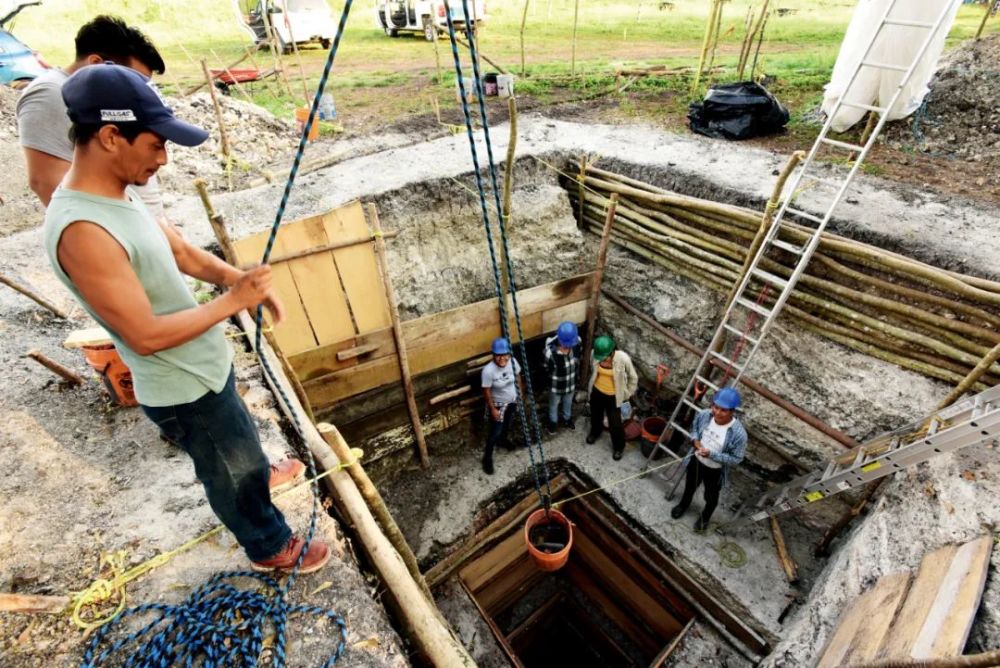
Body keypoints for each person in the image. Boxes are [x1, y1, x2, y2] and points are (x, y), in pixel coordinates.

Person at [43, 63, 328, 574]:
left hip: (201, 369)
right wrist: (233, 302)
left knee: (240, 443)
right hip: (181, 388)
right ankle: (269, 546)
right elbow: (145, 337)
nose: (164, 158)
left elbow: (183, 254)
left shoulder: (118, 195)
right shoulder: (83, 230)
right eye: (156, 145)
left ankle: (255, 472)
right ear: (111, 136)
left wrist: (240, 282)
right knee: (228, 470)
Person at [17, 15, 167, 213]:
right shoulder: (51, 93)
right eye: (133, 80)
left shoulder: (107, 101)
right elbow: (46, 181)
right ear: (96, 63)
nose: (139, 90)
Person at [670, 387, 747, 532]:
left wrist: (712, 455)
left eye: (723, 410)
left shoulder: (738, 434)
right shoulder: (704, 415)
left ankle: (705, 518)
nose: (717, 412)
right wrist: (696, 442)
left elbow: (737, 459)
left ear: (732, 412)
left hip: (715, 470)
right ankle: (683, 505)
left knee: (711, 497)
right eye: (715, 407)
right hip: (696, 461)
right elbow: (694, 430)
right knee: (690, 486)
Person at [585, 335, 638, 461]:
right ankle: (595, 432)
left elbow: (633, 377)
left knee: (615, 423)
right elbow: (593, 370)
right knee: (595, 415)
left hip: (614, 396)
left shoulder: (623, 358)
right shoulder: (595, 353)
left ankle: (619, 447)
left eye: (605, 358)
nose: (603, 361)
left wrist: (627, 394)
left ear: (612, 352)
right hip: (597, 391)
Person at [480, 336, 525, 475]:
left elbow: (518, 376)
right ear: (494, 355)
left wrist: (520, 394)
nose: (502, 359)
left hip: (511, 401)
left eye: (504, 355)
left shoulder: (513, 362)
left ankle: (503, 441)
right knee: (495, 431)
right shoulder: (488, 371)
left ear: (509, 354)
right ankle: (487, 457)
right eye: (498, 356)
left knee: (507, 423)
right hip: (498, 404)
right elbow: (486, 391)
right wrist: (493, 409)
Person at [542, 321, 580, 435]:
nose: (568, 346)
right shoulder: (549, 353)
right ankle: (553, 423)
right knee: (554, 405)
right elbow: (545, 368)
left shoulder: (577, 342)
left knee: (568, 403)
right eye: (565, 344)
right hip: (556, 387)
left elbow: (579, 357)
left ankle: (567, 419)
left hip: (571, 384)